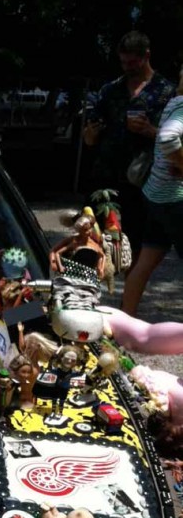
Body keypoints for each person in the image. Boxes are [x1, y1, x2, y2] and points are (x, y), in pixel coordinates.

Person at [82, 32, 175, 255]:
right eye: (123, 62)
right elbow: (91, 130)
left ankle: (128, 287)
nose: (127, 67)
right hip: (105, 177)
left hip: (141, 180)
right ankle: (85, 284)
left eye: (133, 62)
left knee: (134, 243)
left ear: (147, 56)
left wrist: (151, 131)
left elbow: (177, 140)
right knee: (90, 235)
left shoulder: (166, 92)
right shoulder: (110, 90)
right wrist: (89, 136)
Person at [121, 67, 183, 315]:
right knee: (146, 260)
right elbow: (168, 139)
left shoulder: (175, 102)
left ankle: (125, 322)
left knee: (146, 261)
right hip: (176, 199)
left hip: (156, 195)